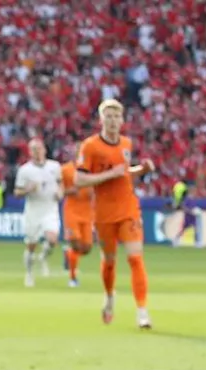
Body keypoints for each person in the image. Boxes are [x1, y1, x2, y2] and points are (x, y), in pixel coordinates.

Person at [76, 100, 156, 328]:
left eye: (116, 116)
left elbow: (123, 174)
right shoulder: (90, 146)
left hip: (128, 208)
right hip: (103, 213)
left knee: (135, 257)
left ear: (122, 121)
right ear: (101, 120)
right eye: (108, 116)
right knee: (109, 261)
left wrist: (141, 170)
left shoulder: (126, 144)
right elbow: (80, 179)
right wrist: (109, 175)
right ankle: (110, 296)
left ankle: (142, 311)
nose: (112, 121)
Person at [13, 138, 62, 287]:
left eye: (39, 148)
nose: (37, 152)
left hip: (50, 209)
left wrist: (60, 193)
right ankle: (29, 273)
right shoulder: (25, 170)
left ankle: (43, 257)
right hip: (33, 211)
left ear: (44, 150)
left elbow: (60, 183)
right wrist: (28, 189)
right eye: (33, 149)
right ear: (29, 152)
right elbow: (17, 192)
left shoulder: (54, 166)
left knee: (52, 239)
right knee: (31, 245)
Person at [60, 143, 95, 288]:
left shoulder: (93, 170)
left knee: (86, 248)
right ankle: (73, 278)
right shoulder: (65, 170)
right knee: (75, 242)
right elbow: (59, 191)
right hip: (72, 210)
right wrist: (69, 191)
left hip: (87, 212)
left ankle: (68, 254)